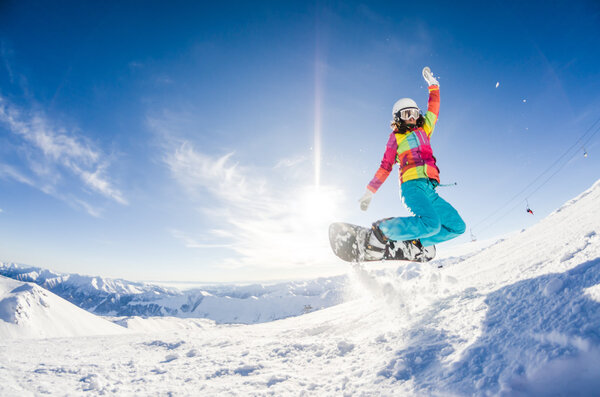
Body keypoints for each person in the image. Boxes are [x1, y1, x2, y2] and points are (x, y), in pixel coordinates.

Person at [358, 67, 465, 258]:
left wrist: (434, 86)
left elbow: (433, 110)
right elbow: (385, 167)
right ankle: (382, 230)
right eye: (407, 114)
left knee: (457, 226)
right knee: (431, 223)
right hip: (411, 187)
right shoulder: (396, 138)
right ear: (398, 117)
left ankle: (416, 243)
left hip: (430, 191)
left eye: (415, 113)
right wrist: (369, 191)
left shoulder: (424, 130)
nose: (413, 118)